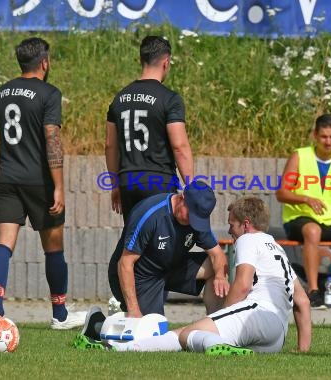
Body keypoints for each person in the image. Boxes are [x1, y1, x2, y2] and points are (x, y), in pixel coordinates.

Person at [75, 196, 312, 354]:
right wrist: (302, 350)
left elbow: (241, 285)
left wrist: (222, 315)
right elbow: (302, 302)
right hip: (277, 335)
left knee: (185, 334)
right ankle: (220, 341)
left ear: (246, 224)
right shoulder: (276, 247)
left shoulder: (248, 239)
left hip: (256, 317)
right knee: (188, 334)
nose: (230, 230)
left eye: (232, 224)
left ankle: (113, 347)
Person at [0, 37, 86, 329]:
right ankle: (59, 315)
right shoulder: (49, 93)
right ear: (44, 62)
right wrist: (58, 185)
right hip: (38, 181)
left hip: (6, 178)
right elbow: (51, 138)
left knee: (3, 245)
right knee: (53, 248)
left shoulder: (2, 92)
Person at [105, 35, 194, 223]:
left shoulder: (119, 98)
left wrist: (115, 185)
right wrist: (191, 186)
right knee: (159, 243)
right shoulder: (169, 99)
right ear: (166, 62)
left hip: (128, 181)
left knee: (134, 239)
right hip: (158, 181)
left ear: (141, 60)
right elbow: (179, 146)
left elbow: (110, 146)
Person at [108, 180, 229, 318]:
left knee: (217, 268)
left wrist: (220, 276)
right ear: (182, 198)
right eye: (191, 216)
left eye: (198, 219)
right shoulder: (151, 215)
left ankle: (216, 324)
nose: (193, 222)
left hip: (171, 266)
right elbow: (125, 263)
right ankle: (101, 322)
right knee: (151, 331)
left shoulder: (197, 220)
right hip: (142, 275)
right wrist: (133, 309)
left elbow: (217, 254)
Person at [276, 114, 331, 309]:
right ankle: (314, 292)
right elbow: (281, 193)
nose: (329, 142)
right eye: (324, 137)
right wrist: (306, 198)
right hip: (299, 217)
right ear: (315, 135)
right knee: (313, 231)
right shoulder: (300, 156)